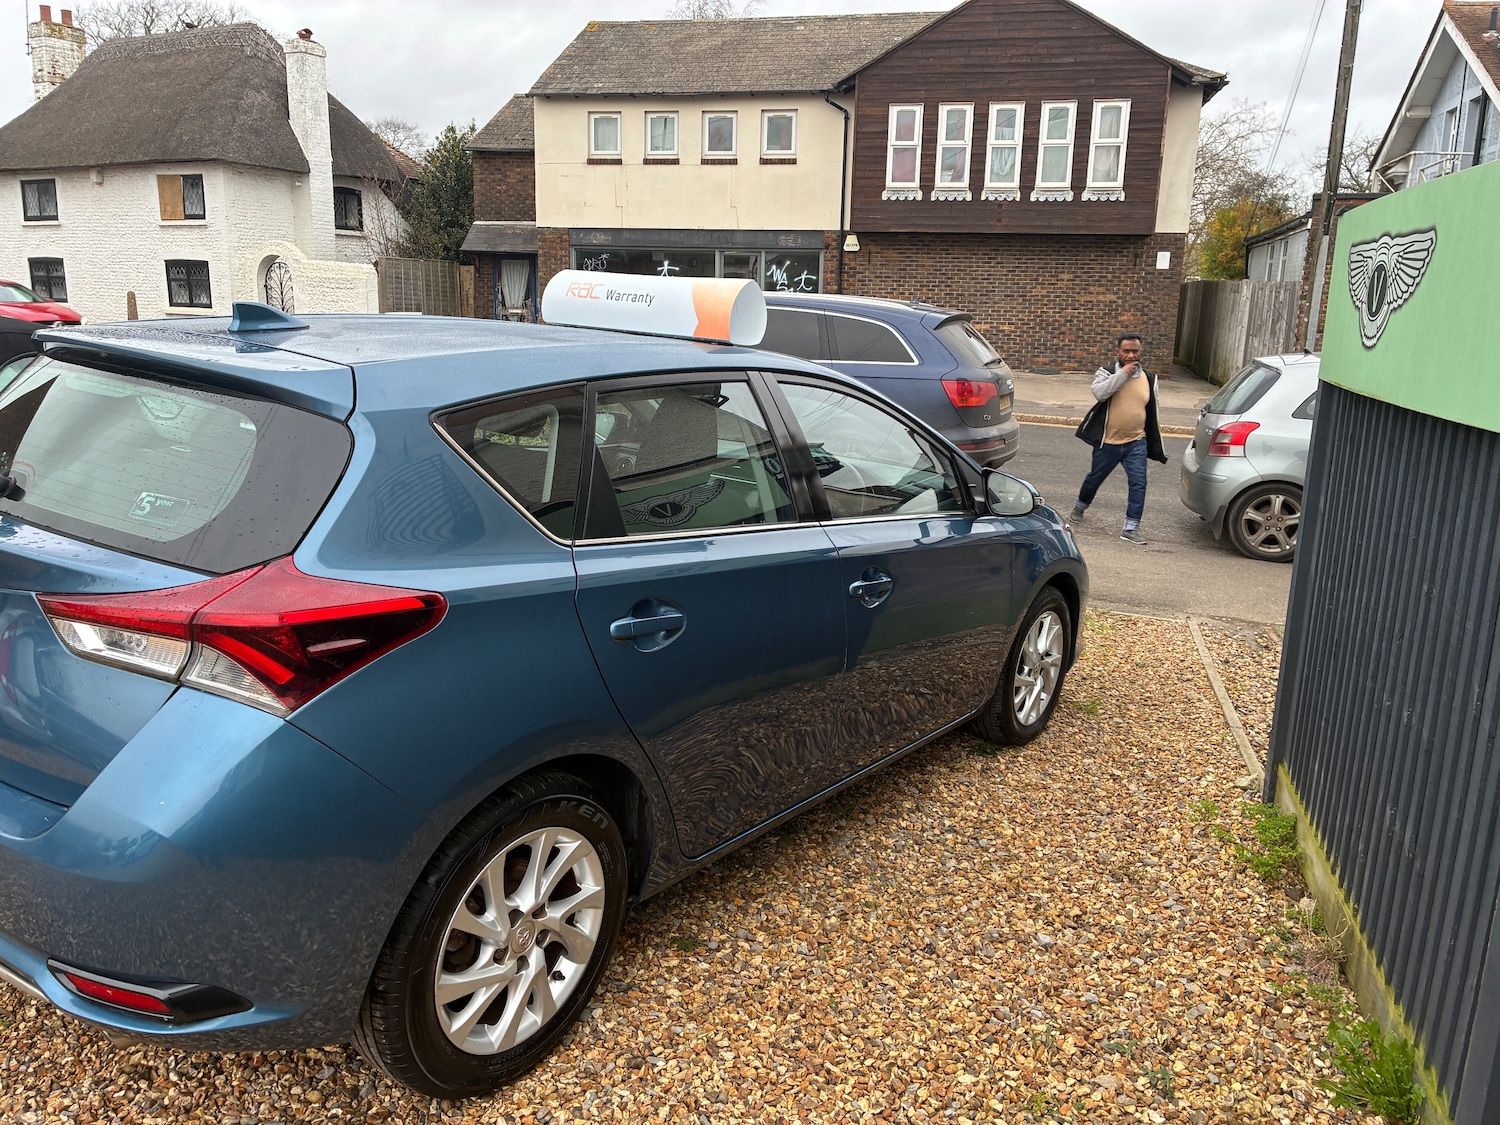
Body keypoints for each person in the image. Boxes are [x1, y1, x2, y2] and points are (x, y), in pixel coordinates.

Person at [1069, 332, 1168, 545]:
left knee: (1139, 483)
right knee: (1094, 479)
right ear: (1118, 352)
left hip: (1136, 441)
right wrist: (1123, 373)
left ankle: (1131, 527)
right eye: (1126, 351)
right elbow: (1100, 393)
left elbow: (1153, 409)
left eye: (1135, 351)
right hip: (1108, 443)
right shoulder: (1106, 373)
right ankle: (1080, 506)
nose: (1131, 355)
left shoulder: (1149, 378)